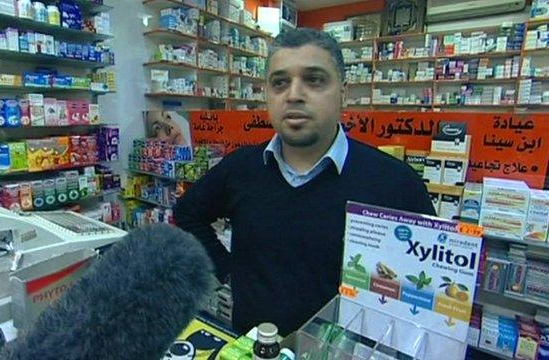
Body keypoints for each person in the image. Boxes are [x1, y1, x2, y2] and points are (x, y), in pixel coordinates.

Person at [174, 28, 436, 336]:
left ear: (343, 92)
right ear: (267, 95)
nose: (294, 94)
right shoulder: (241, 168)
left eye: (314, 79)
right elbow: (188, 213)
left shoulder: (395, 182)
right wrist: (228, 269)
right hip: (254, 347)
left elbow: (426, 281)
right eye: (280, 82)